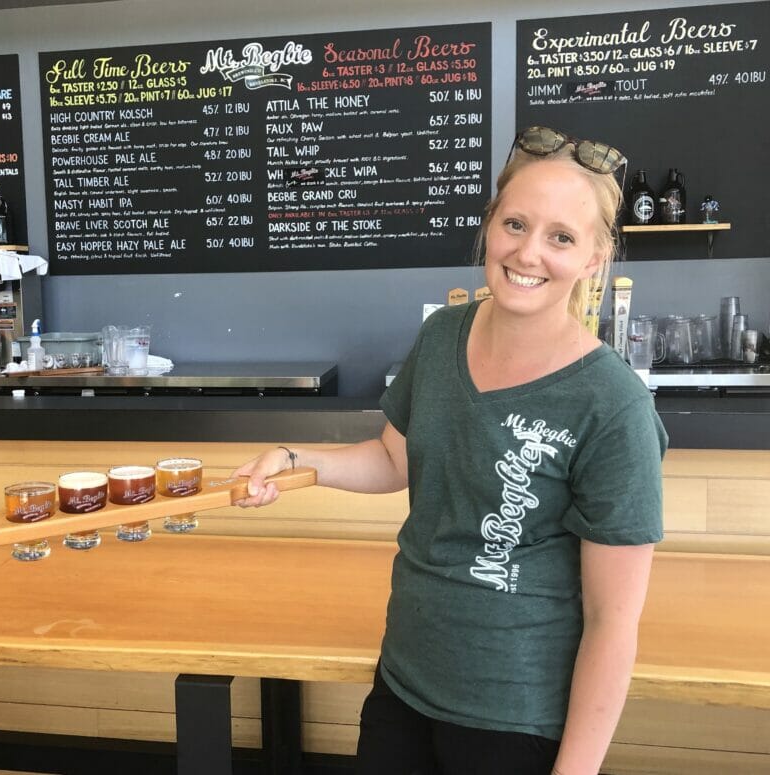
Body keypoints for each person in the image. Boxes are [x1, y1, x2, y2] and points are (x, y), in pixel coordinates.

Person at [234, 126, 668, 775]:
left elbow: (613, 621)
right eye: (515, 223)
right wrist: (296, 461)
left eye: (561, 236)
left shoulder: (613, 405)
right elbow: (393, 459)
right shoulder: (441, 339)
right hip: (404, 686)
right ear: (489, 223)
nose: (528, 252)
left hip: (514, 722)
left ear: (595, 256)